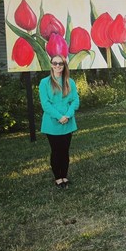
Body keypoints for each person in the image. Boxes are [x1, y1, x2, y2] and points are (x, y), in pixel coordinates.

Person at [39, 55, 80, 188]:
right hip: (52, 123)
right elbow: (45, 104)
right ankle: (58, 178)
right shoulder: (44, 82)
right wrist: (59, 116)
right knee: (56, 151)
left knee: (65, 150)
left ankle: (64, 176)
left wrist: (67, 115)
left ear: (64, 65)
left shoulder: (70, 82)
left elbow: (75, 100)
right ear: (51, 65)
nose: (58, 66)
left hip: (67, 122)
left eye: (60, 64)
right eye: (55, 63)